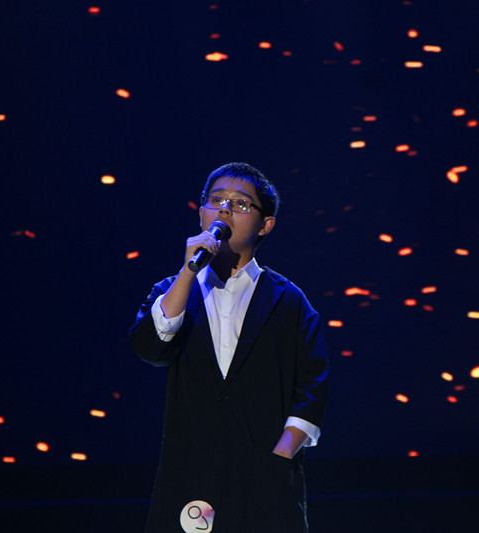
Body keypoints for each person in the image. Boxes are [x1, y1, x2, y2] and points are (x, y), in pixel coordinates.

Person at [129, 162, 329, 532]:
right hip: (190, 476)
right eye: (216, 200)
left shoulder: (289, 301)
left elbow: (312, 388)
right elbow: (151, 347)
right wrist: (188, 272)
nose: (224, 210)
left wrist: (280, 457)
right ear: (201, 213)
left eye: (240, 204)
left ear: (265, 224)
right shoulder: (174, 291)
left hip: (265, 479)